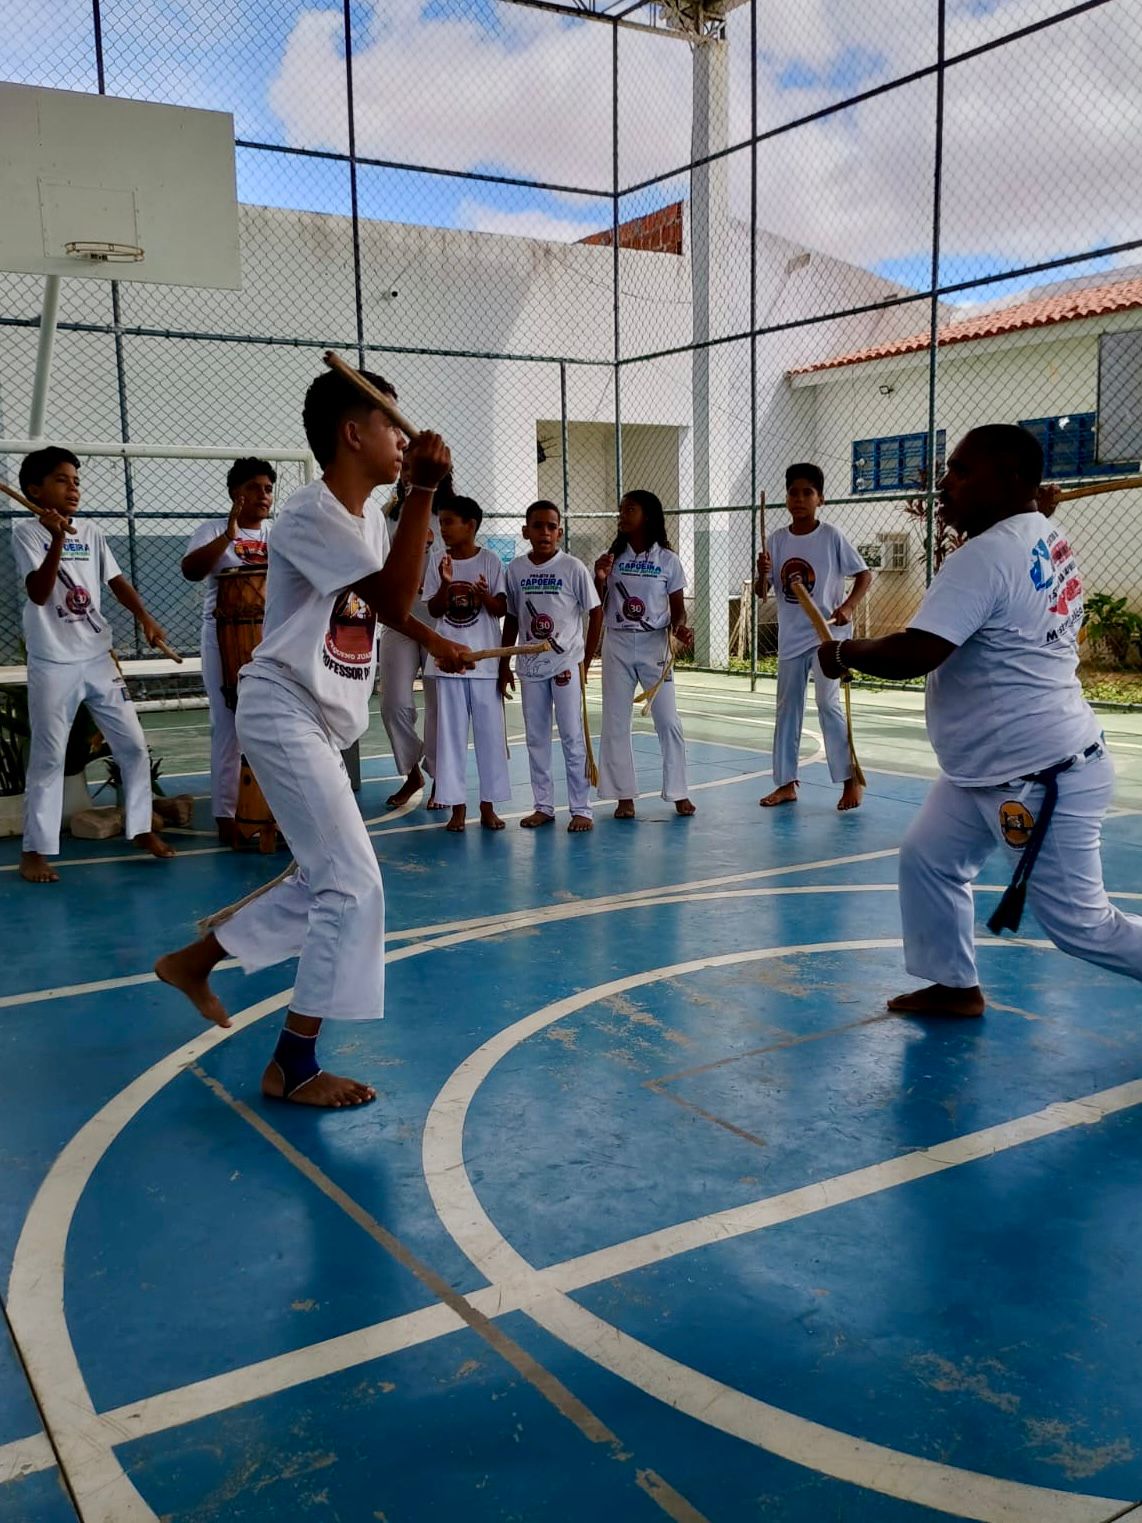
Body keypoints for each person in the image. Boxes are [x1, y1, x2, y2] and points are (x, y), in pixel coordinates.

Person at [155, 368, 473, 1107]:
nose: (404, 436)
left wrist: (432, 635)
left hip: (320, 722)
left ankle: (193, 961)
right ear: (350, 432)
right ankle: (292, 1064)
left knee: (317, 880)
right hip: (282, 707)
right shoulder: (305, 512)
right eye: (391, 421)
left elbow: (389, 603)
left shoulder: (368, 519)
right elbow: (392, 596)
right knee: (354, 883)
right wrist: (423, 490)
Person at [817, 424, 1142, 1016]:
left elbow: (916, 652)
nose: (946, 485)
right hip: (985, 770)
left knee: (1082, 926)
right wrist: (1030, 510)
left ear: (1013, 481)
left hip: (1039, 776)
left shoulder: (985, 557)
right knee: (928, 859)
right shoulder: (1042, 532)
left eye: (962, 472)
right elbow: (1022, 535)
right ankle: (954, 985)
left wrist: (843, 652)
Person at [12, 446, 175, 883]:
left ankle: (139, 827)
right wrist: (58, 538)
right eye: (62, 480)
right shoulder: (27, 534)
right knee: (48, 756)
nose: (74, 488)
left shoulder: (92, 531)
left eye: (76, 481)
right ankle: (35, 850)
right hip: (53, 663)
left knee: (133, 747)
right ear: (34, 489)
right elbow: (39, 592)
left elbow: (116, 581)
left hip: (98, 658)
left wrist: (146, 618)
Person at [755, 463, 871, 811]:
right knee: (787, 708)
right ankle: (786, 783)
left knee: (827, 704)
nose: (800, 499)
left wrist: (849, 607)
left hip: (828, 636)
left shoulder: (831, 536)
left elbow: (864, 574)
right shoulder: (776, 539)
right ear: (786, 498)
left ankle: (850, 780)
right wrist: (761, 574)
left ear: (820, 498)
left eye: (808, 492)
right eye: (794, 492)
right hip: (791, 637)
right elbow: (764, 592)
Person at [181, 457, 275, 843]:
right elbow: (191, 570)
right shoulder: (213, 529)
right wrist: (229, 534)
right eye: (254, 487)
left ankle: (271, 808)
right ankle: (225, 813)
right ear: (236, 493)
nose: (264, 495)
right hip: (224, 637)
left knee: (274, 723)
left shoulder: (277, 533)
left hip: (272, 636)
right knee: (228, 723)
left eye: (268, 488)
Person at [586, 490, 695, 819]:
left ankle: (678, 792)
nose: (621, 514)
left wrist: (680, 630)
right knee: (615, 721)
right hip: (617, 643)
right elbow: (598, 606)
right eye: (621, 510)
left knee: (668, 720)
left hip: (655, 646)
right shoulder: (611, 558)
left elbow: (678, 612)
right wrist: (600, 578)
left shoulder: (668, 561)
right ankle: (623, 796)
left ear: (648, 515)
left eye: (629, 509)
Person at [499, 500, 602, 832]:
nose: (545, 532)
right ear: (525, 531)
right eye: (538, 526)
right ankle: (543, 805)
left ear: (560, 531)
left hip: (565, 665)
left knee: (572, 736)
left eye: (551, 526)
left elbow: (595, 612)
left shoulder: (573, 568)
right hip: (530, 667)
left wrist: (586, 658)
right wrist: (505, 662)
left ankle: (581, 808)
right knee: (536, 737)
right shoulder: (515, 569)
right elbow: (513, 618)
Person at [423, 496, 511, 832]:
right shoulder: (437, 560)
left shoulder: (489, 561)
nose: (442, 528)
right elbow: (433, 611)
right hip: (448, 663)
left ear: (470, 526)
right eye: (441, 522)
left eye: (448, 522)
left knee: (490, 737)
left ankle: (487, 805)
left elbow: (500, 608)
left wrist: (481, 593)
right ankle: (456, 807)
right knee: (451, 737)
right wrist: (446, 584)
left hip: (485, 663)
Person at [376, 466, 449, 810]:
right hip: (398, 619)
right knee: (393, 703)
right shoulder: (388, 513)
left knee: (438, 705)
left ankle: (440, 778)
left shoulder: (449, 512)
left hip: (439, 620)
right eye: (404, 468)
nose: (407, 473)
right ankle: (411, 773)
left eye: (413, 467)